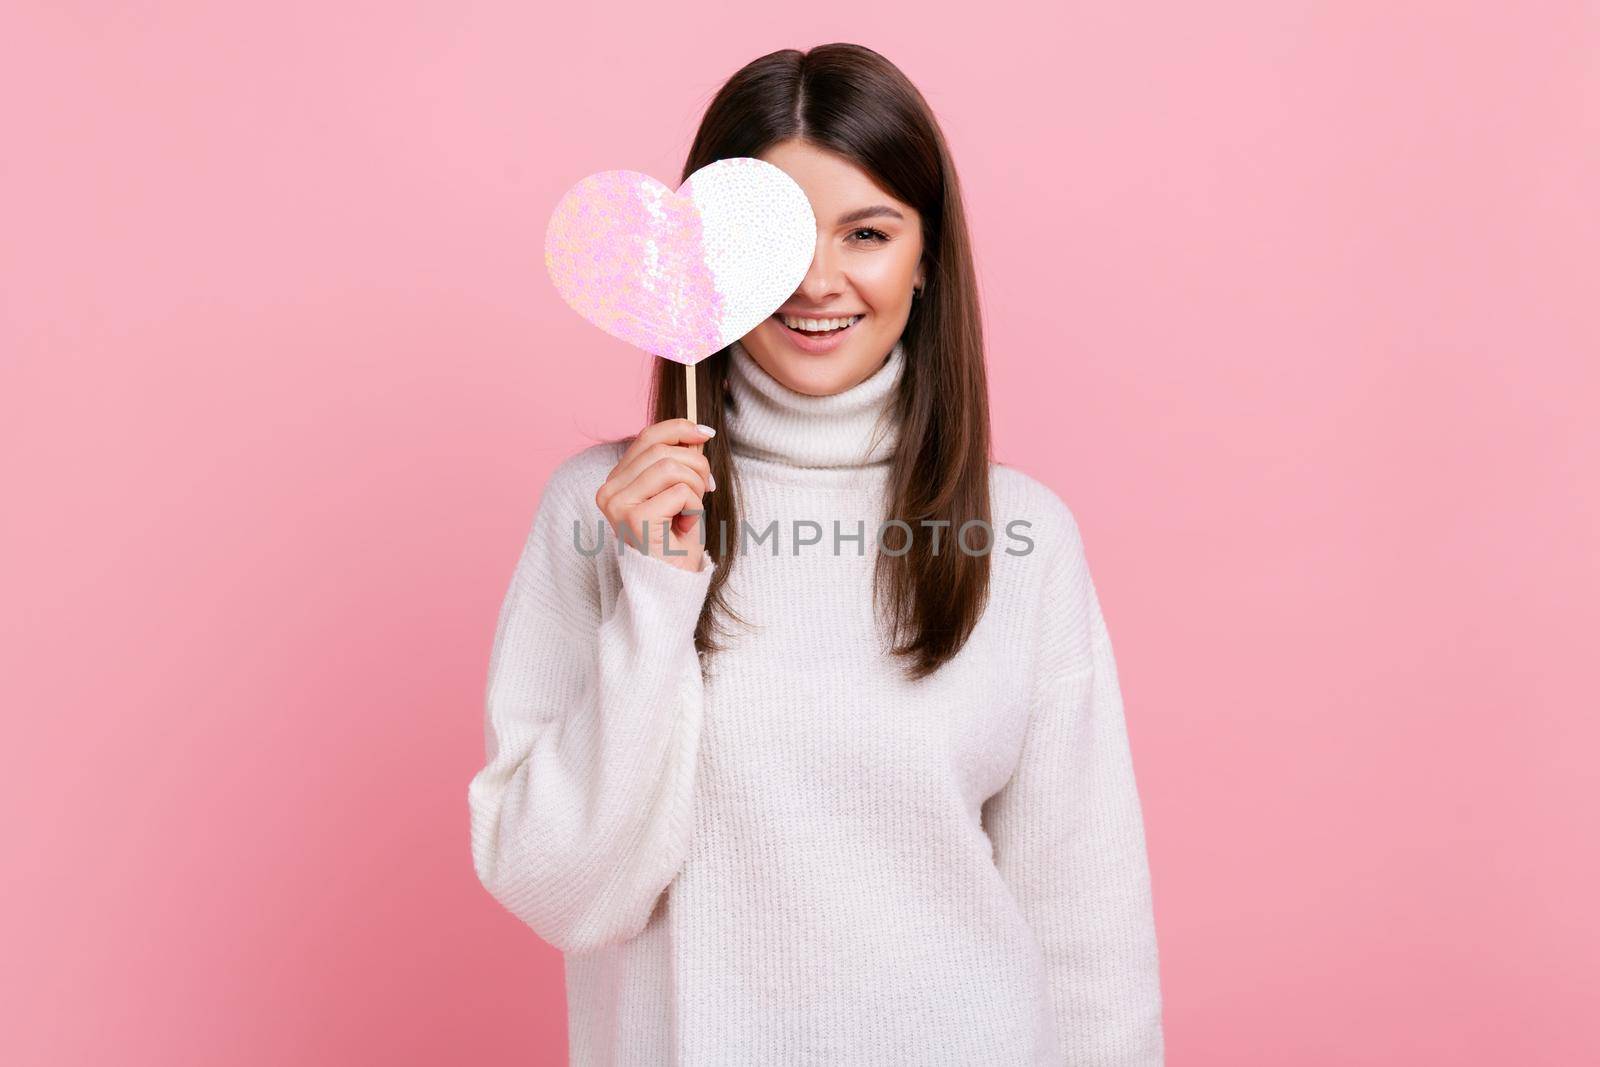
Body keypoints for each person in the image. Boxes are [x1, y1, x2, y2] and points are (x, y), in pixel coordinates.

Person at [467, 42, 1165, 1066]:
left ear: (925, 258)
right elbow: (564, 887)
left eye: (868, 232)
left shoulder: (1023, 536)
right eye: (774, 236)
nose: (818, 280)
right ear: (701, 257)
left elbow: (1086, 927)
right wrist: (656, 595)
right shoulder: (598, 514)